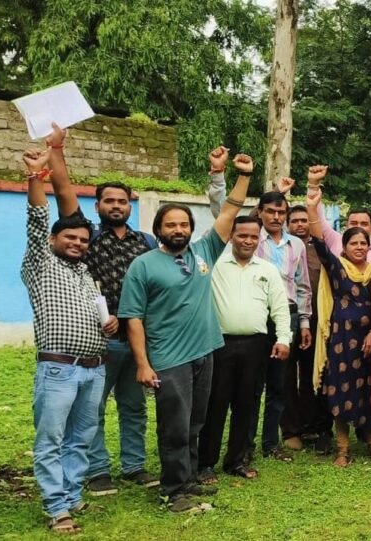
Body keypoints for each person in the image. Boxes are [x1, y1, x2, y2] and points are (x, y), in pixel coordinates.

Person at [118, 148, 251, 513]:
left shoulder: (203, 252)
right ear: (159, 230)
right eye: (171, 225)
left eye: (183, 225)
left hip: (205, 352)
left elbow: (229, 212)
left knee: (195, 421)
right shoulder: (143, 266)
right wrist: (142, 364)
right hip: (168, 359)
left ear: (191, 229)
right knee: (174, 425)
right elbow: (133, 318)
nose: (178, 230)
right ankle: (173, 490)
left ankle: (188, 477)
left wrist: (243, 176)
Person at [44, 124, 161, 496]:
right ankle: (97, 471)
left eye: (122, 201)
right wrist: (57, 150)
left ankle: (134, 466)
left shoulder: (146, 243)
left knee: (133, 406)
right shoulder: (88, 237)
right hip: (100, 340)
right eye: (109, 201)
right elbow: (64, 192)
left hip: (138, 341)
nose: (116, 206)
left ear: (130, 206)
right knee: (91, 409)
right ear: (98, 207)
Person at [21, 144, 115, 534]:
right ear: (52, 240)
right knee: (52, 440)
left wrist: (107, 325)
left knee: (81, 438)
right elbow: (37, 216)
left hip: (94, 369)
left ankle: (72, 493)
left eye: (82, 239)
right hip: (59, 369)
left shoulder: (85, 273)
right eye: (70, 237)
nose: (77, 243)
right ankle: (56, 507)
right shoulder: (40, 264)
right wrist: (35, 176)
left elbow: (92, 314)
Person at [207, 171, 314, 459]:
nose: (276, 217)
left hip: (286, 316)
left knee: (280, 383)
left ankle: (271, 443)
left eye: (281, 212)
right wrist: (220, 177)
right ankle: (246, 445)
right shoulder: (249, 238)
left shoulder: (296, 245)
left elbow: (302, 286)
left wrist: (303, 322)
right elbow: (222, 212)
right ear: (260, 212)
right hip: (254, 318)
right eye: (270, 211)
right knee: (251, 386)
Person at [197, 216, 292, 482]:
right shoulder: (214, 266)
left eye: (253, 236)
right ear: (231, 237)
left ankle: (237, 460)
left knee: (247, 404)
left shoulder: (267, 269)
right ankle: (205, 463)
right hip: (219, 344)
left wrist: (283, 339)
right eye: (242, 235)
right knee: (215, 404)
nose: (248, 241)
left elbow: (280, 307)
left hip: (256, 345)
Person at [305, 188, 371, 467]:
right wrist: (312, 208)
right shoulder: (337, 268)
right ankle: (343, 449)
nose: (359, 247)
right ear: (345, 247)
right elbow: (319, 242)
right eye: (354, 243)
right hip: (342, 341)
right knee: (342, 392)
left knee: (370, 391)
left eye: (363, 243)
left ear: (369, 246)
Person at [283, 204, 332, 454]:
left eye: (304, 220)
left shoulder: (319, 249)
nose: (300, 224)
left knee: (313, 373)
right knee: (286, 375)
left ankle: (313, 425)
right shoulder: (282, 249)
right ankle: (291, 429)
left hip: (317, 319)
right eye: (295, 221)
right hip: (286, 317)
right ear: (287, 224)